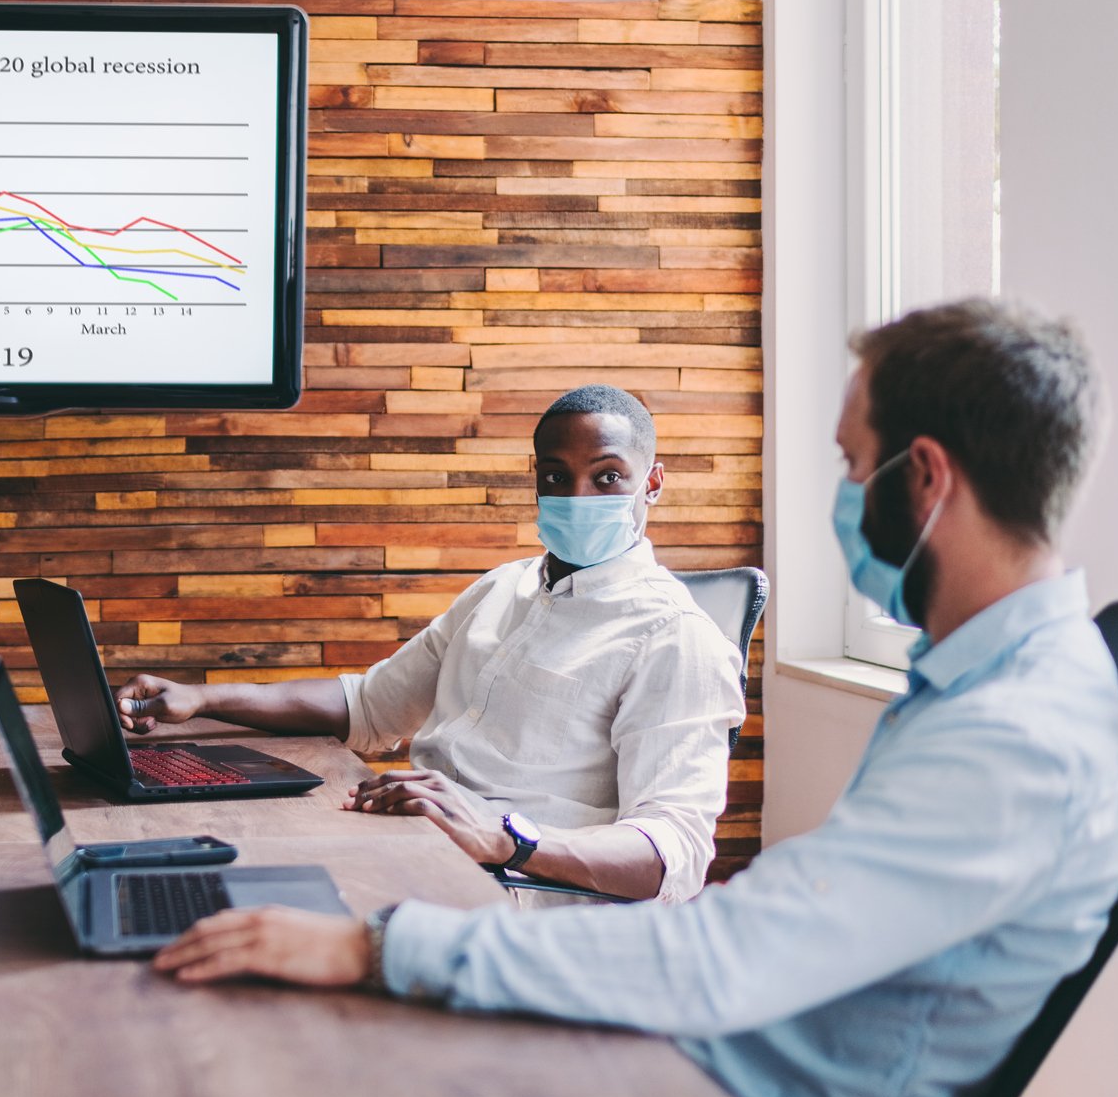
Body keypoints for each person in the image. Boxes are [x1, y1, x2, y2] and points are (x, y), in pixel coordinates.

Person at [152, 300, 1118, 1097]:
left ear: (920, 477)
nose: (841, 496)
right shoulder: (974, 684)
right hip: (696, 1066)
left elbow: (721, 949)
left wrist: (376, 945)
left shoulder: (1014, 734)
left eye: (848, 464)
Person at [117, 384, 745, 902]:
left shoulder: (677, 639)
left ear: (653, 482)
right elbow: (369, 707)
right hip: (411, 844)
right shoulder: (504, 587)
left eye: (608, 478)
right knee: (201, 869)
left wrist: (508, 837)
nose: (577, 497)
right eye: (557, 476)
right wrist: (201, 697)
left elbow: (674, 855)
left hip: (516, 894)